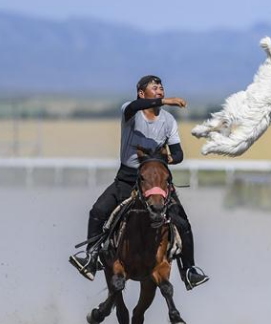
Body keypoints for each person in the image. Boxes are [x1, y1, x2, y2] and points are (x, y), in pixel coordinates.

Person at [69, 75, 209, 290]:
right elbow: (137, 105)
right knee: (97, 212)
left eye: (162, 87)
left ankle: (189, 270)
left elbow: (178, 154)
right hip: (127, 179)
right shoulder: (131, 111)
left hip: (156, 183)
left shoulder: (169, 121)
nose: (160, 90)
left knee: (183, 223)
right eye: (155, 88)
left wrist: (160, 162)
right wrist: (166, 101)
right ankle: (92, 258)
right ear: (142, 93)